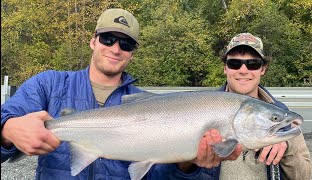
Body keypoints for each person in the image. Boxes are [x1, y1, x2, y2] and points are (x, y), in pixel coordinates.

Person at [1, 8, 241, 179]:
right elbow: (6, 124)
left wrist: (188, 165)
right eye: (108, 39)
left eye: (125, 44)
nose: (115, 49)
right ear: (93, 41)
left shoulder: (149, 104)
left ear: (132, 54)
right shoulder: (48, 84)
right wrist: (8, 130)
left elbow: (157, 175)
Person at [217, 32, 312, 179]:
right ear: (225, 68)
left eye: (253, 64)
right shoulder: (200, 110)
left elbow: (305, 176)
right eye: (234, 63)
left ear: (263, 69)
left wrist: (287, 147)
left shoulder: (283, 118)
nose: (243, 70)